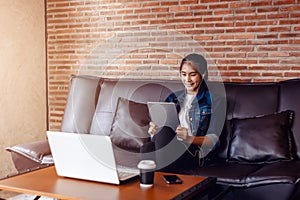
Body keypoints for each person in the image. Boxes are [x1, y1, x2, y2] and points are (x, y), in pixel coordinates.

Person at [143, 53, 221, 171]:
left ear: (203, 74)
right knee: (146, 148)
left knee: (157, 144)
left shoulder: (214, 101)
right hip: (169, 146)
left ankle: (159, 183)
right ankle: (160, 183)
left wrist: (189, 138)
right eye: (183, 74)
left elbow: (214, 140)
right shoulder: (173, 98)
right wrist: (154, 132)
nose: (187, 79)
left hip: (193, 152)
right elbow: (161, 134)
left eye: (192, 75)